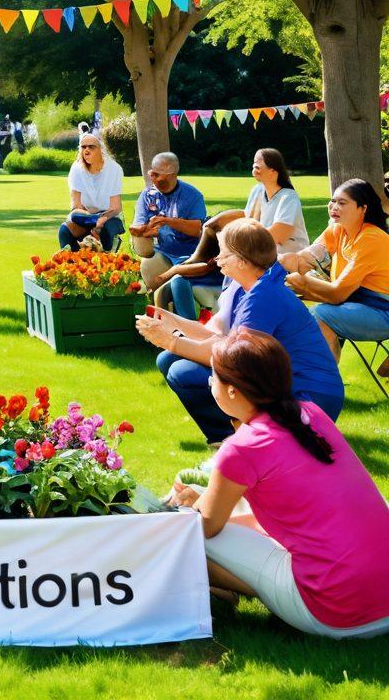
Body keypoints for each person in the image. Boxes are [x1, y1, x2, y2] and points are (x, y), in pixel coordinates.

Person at [170, 328, 389, 638]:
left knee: (182, 530)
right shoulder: (311, 414)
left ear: (232, 391)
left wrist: (193, 505)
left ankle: (214, 587)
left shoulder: (242, 447)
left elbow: (205, 527)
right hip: (382, 598)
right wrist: (206, 496)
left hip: (336, 612)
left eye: (212, 379)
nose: (210, 385)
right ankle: (217, 586)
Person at [137, 218, 343, 444]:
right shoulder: (250, 286)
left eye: (224, 254)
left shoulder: (262, 296)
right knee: (170, 359)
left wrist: (170, 341)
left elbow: (233, 357)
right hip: (286, 384)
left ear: (243, 261)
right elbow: (217, 336)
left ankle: (239, 439)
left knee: (183, 371)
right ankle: (232, 438)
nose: (217, 259)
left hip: (310, 398)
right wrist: (170, 321)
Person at [152, 148, 308, 321]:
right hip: (251, 256)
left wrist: (232, 245)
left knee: (190, 273)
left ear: (273, 171)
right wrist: (220, 229)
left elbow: (277, 236)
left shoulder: (288, 198)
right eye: (254, 163)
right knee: (179, 281)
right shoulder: (258, 191)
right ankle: (185, 328)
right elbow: (247, 220)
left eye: (258, 164)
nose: (254, 167)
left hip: (278, 260)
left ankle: (194, 323)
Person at [282, 178, 389, 369]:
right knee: (293, 309)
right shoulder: (337, 230)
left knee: (320, 314)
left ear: (363, 209)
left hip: (382, 312)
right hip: (356, 303)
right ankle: (311, 374)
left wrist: (303, 283)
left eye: (342, 203)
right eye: (332, 201)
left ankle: (323, 378)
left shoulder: (371, 238)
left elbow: (337, 294)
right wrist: (282, 261)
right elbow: (306, 259)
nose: (334, 207)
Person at [129, 152, 207, 290]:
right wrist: (144, 229)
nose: (153, 178)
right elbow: (138, 226)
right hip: (161, 251)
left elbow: (197, 230)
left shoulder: (193, 196)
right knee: (151, 271)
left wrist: (167, 221)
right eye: (151, 174)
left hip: (189, 254)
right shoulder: (147, 195)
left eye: (157, 175)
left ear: (172, 174)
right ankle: (156, 291)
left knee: (179, 285)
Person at [58, 133, 124, 252]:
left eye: (91, 147)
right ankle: (72, 261)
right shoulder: (76, 169)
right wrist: (92, 219)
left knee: (105, 230)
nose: (86, 150)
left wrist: (101, 220)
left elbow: (116, 207)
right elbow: (76, 206)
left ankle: (109, 252)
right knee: (64, 231)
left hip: (110, 217)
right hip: (85, 217)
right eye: (83, 147)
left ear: (101, 149)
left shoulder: (114, 169)